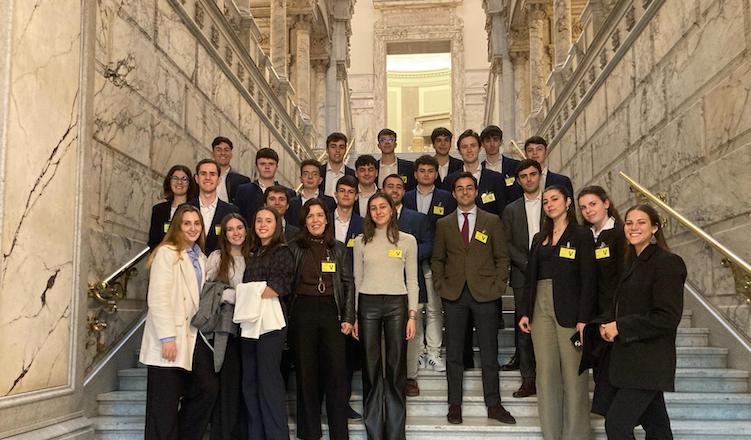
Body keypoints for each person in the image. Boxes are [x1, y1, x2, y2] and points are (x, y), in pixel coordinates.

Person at [595, 204, 687, 439]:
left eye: (641, 222)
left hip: (649, 362)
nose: (634, 227)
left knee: (616, 425)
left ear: (655, 228)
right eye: (629, 222)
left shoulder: (667, 262)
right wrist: (609, 324)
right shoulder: (632, 262)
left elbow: (667, 317)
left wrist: (620, 327)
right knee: (657, 428)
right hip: (632, 361)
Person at [431, 172, 516, 426]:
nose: (465, 192)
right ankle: (454, 405)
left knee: (490, 352)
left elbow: (502, 257)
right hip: (454, 294)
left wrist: (499, 284)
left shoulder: (492, 221)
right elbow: (437, 259)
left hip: (486, 293)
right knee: (454, 353)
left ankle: (494, 404)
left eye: (469, 188)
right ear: (454, 193)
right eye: (460, 189)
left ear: (476, 192)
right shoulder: (444, 224)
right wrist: (440, 285)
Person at [518, 184, 596, 440]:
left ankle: (576, 435)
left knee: (575, 376)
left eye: (555, 199)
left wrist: (585, 318)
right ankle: (551, 434)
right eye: (546, 201)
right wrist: (525, 312)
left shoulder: (582, 235)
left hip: (570, 310)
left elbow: (589, 280)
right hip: (540, 309)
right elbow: (530, 277)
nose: (550, 204)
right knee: (546, 375)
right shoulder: (538, 238)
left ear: (568, 202)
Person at [140, 204, 218, 440]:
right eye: (187, 223)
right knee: (162, 406)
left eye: (197, 223)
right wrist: (167, 338)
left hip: (192, 336)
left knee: (208, 388)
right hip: (169, 337)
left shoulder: (201, 258)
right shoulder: (167, 252)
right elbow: (158, 298)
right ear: (177, 226)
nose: (193, 228)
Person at [352, 192, 418, 440]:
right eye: (373, 208)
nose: (378, 211)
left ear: (392, 210)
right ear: (369, 213)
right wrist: (356, 316)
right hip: (367, 304)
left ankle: (395, 433)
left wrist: (412, 315)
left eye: (382, 207)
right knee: (370, 369)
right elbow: (357, 281)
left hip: (396, 305)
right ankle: (375, 432)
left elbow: (412, 280)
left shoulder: (407, 241)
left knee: (395, 368)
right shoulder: (361, 242)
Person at [288, 199, 355, 440]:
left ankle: (339, 433)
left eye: (319, 215)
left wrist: (348, 316)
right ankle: (309, 433)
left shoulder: (338, 247)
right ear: (304, 221)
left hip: (331, 312)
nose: (315, 220)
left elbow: (348, 284)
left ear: (327, 219)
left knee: (336, 374)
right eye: (310, 216)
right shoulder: (293, 247)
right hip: (302, 313)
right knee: (306, 374)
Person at [240, 206, 295, 440]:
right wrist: (253, 290)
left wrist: (244, 293)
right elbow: (258, 287)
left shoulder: (282, 251)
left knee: (268, 383)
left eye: (268, 221)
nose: (262, 224)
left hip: (271, 325)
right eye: (259, 220)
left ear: (277, 225)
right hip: (250, 323)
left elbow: (277, 287)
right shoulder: (253, 253)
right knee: (250, 383)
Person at [382, 174, 435, 396]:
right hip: (383, 287)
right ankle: (387, 376)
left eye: (398, 187)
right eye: (389, 186)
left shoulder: (418, 218)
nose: (394, 190)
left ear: (404, 192)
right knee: (385, 335)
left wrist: (403, 256)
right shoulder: (375, 217)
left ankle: (410, 376)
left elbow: (429, 244)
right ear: (382, 189)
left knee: (410, 335)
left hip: (411, 282)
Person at [403, 155, 455, 373]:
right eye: (421, 170)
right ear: (415, 174)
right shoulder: (406, 197)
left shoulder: (446, 197)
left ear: (436, 174)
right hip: (409, 262)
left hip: (436, 260)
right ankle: (418, 352)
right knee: (415, 308)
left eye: (430, 171)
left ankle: (433, 352)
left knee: (434, 308)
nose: (425, 174)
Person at [501, 159, 545, 397]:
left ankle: (548, 375)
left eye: (533, 174)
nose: (529, 179)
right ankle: (528, 378)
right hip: (522, 274)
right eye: (524, 176)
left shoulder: (552, 202)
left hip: (551, 274)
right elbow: (505, 242)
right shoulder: (511, 209)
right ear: (518, 181)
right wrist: (527, 262)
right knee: (524, 326)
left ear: (540, 176)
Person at [205, 213, 250, 440]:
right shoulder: (216, 258)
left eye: (239, 228)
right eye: (230, 229)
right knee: (228, 384)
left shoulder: (254, 256)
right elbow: (207, 291)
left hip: (251, 328)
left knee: (247, 384)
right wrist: (229, 294)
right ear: (224, 233)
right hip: (226, 329)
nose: (235, 233)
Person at [330, 174, 364, 419]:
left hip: (352, 291)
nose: (345, 195)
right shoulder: (322, 220)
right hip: (325, 292)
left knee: (348, 353)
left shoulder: (363, 225)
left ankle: (343, 402)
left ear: (356, 196)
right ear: (335, 194)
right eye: (341, 191)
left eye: (350, 192)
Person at [577, 186, 626, 317]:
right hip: (590, 309)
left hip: (613, 308)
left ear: (606, 204)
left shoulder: (621, 233)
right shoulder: (583, 235)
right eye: (583, 207)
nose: (588, 210)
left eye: (593, 204)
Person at [442, 129, 507, 217]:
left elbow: (502, 211)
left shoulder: (496, 178)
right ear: (459, 151)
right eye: (464, 147)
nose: (469, 150)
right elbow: (448, 213)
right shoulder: (449, 180)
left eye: (473, 146)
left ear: (480, 148)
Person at [187, 159, 239, 255]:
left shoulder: (231, 211)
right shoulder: (184, 209)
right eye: (203, 173)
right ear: (196, 179)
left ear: (219, 180)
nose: (208, 177)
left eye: (212, 174)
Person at [148, 165, 198, 249]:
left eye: (184, 179)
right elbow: (153, 241)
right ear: (169, 182)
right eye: (175, 178)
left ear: (189, 184)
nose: (179, 182)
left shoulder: (195, 209)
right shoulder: (158, 210)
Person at [287, 159, 337, 226]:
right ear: (301, 179)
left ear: (320, 180)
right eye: (306, 174)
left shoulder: (329, 202)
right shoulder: (291, 203)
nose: (310, 177)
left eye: (314, 174)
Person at [480, 125, 522, 202]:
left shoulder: (515, 165)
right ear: (482, 144)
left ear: (501, 142)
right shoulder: (480, 169)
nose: (492, 144)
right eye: (488, 141)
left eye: (495, 140)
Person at [212, 136, 250, 204]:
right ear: (213, 153)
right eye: (218, 150)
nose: (222, 153)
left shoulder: (242, 181)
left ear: (231, 154)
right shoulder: (203, 177)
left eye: (226, 150)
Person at [320, 132, 355, 197]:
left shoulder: (353, 175)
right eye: (333, 147)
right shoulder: (318, 172)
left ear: (345, 150)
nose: (337, 150)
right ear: (327, 150)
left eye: (341, 147)